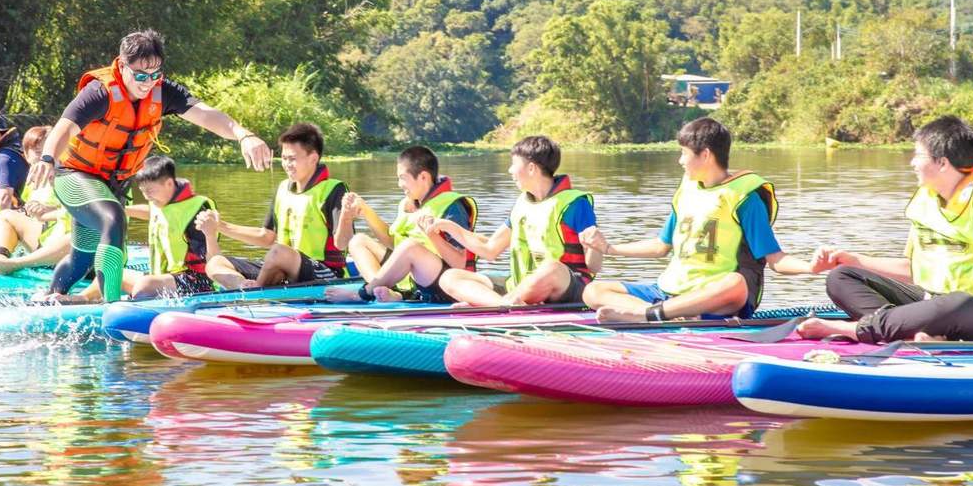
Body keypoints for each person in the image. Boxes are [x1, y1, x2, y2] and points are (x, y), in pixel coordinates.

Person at [26, 29, 272, 303]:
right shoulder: (99, 92)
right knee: (113, 218)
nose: (148, 82)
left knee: (82, 255)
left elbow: (206, 115)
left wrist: (243, 134)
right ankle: (110, 305)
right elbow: (63, 128)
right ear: (121, 66)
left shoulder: (163, 91)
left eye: (155, 74)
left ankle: (49, 297)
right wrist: (48, 158)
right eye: (141, 75)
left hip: (114, 183)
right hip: (75, 176)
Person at [799, 116, 973, 343]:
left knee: (959, 303)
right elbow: (913, 270)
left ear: (942, 162)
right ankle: (914, 334)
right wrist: (855, 259)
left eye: (918, 155)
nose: (912, 163)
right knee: (842, 276)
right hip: (932, 305)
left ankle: (858, 330)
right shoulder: (926, 200)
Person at [580, 117, 815, 322]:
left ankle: (648, 315)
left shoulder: (746, 198)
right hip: (671, 292)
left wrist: (811, 267)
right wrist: (609, 248)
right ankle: (662, 314)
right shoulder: (686, 191)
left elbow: (775, 259)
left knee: (736, 282)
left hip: (714, 295)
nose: (680, 161)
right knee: (593, 291)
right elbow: (662, 246)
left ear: (705, 155)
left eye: (684, 153)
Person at [432, 135, 601, 306]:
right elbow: (490, 250)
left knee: (552, 268)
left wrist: (596, 246)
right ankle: (501, 305)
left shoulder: (575, 204)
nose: (510, 170)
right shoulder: (522, 204)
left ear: (531, 169)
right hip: (519, 286)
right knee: (449, 277)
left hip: (567, 286)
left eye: (514, 164)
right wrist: (450, 227)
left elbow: (593, 266)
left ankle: (493, 303)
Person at [203, 122, 350, 289]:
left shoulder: (334, 189)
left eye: (292, 159)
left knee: (278, 252)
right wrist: (221, 226)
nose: (287, 164)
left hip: (325, 273)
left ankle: (257, 290)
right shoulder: (282, 189)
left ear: (313, 159)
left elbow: (344, 244)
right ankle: (244, 288)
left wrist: (347, 215)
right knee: (216, 263)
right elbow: (267, 237)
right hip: (283, 266)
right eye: (285, 158)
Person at [326, 145, 477, 303]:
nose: (399, 184)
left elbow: (459, 263)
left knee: (410, 246)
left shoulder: (452, 206)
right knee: (358, 241)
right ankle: (385, 292)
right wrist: (366, 211)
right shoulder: (410, 204)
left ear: (423, 177)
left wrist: (432, 235)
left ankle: (363, 294)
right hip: (413, 280)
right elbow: (393, 243)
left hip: (445, 286)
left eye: (403, 178)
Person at [0, 125, 72, 274]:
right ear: (26, 155)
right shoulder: (32, 182)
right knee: (4, 216)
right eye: (38, 152)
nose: (44, 157)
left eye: (51, 152)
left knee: (81, 235)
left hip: (70, 247)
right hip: (45, 240)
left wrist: (47, 212)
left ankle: (15, 264)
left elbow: (80, 212)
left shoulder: (71, 175)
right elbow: (26, 213)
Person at [123, 155, 219, 299]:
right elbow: (153, 213)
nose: (146, 196)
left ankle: (131, 308)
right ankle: (84, 299)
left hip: (198, 282)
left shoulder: (198, 210)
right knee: (113, 272)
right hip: (165, 277)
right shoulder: (162, 200)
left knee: (145, 285)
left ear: (168, 183)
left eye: (149, 191)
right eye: (143, 191)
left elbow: (212, 259)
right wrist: (122, 209)